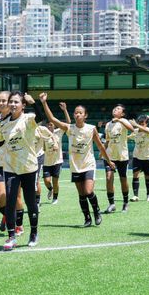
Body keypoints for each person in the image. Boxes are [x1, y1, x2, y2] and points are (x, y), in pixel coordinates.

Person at [0, 91, 44, 250]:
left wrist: (34, 102)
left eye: (16, 102)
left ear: (23, 105)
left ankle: (34, 232)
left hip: (28, 167)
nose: (13, 104)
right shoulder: (2, 124)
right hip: (11, 167)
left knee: (30, 202)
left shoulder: (28, 119)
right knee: (10, 201)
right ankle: (11, 236)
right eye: (11, 102)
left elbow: (42, 117)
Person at [40, 92, 114, 227]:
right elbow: (52, 118)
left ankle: (96, 211)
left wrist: (109, 161)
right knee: (81, 194)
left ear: (85, 115)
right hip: (75, 166)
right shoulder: (69, 128)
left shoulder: (91, 129)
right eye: (76, 113)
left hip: (88, 164)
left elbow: (100, 146)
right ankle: (87, 218)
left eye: (80, 113)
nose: (77, 114)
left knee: (88, 191)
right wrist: (44, 102)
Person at [0, 91, 25, 234]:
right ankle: (6, 215)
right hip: (0, 162)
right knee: (1, 197)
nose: (2, 103)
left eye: (4, 100)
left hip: (16, 162)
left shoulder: (18, 119)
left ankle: (19, 225)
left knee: (16, 196)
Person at [103, 104, 135, 213]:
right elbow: (107, 140)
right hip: (110, 156)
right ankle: (111, 204)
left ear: (122, 114)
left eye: (118, 109)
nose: (115, 109)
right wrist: (103, 150)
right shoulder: (108, 125)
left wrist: (120, 120)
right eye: (115, 108)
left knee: (123, 179)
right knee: (108, 178)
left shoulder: (124, 122)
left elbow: (132, 129)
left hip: (122, 156)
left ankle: (125, 202)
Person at [43, 102, 70, 205]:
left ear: (54, 126)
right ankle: (50, 189)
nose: (49, 126)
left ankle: (55, 198)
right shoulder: (43, 133)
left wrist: (65, 110)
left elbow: (68, 123)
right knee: (46, 180)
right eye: (48, 125)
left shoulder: (59, 132)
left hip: (57, 161)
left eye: (51, 125)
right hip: (46, 162)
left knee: (55, 181)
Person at [129, 115, 149, 202]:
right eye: (140, 123)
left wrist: (135, 124)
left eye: (143, 123)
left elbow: (145, 130)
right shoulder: (135, 131)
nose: (141, 125)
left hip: (147, 157)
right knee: (135, 175)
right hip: (137, 157)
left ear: (146, 124)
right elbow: (128, 137)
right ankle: (135, 196)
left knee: (147, 177)